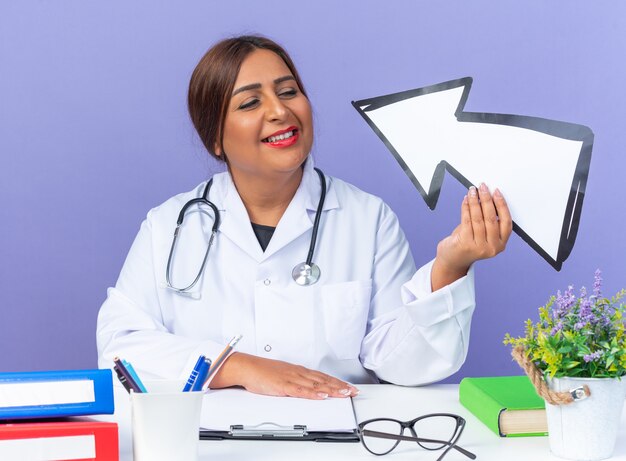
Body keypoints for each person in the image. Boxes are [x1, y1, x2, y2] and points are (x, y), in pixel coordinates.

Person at [97, 35, 512, 400]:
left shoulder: (367, 219)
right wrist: (237, 366)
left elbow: (404, 364)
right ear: (215, 140)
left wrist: (450, 267)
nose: (280, 111)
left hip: (336, 440)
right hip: (208, 442)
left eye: (289, 91)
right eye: (250, 102)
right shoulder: (169, 226)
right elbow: (119, 351)